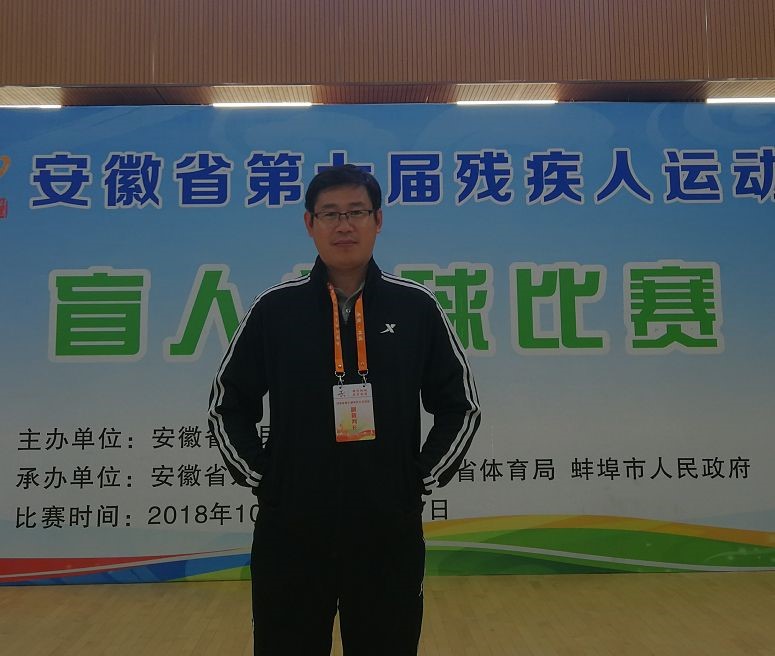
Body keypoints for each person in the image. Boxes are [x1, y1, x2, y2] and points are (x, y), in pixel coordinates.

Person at [208, 164, 481, 655]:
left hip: (386, 529)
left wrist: (415, 481)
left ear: (378, 220)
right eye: (330, 214)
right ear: (309, 224)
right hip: (292, 529)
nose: (344, 225)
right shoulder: (275, 310)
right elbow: (228, 404)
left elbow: (460, 407)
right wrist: (267, 481)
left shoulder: (416, 308)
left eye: (356, 212)